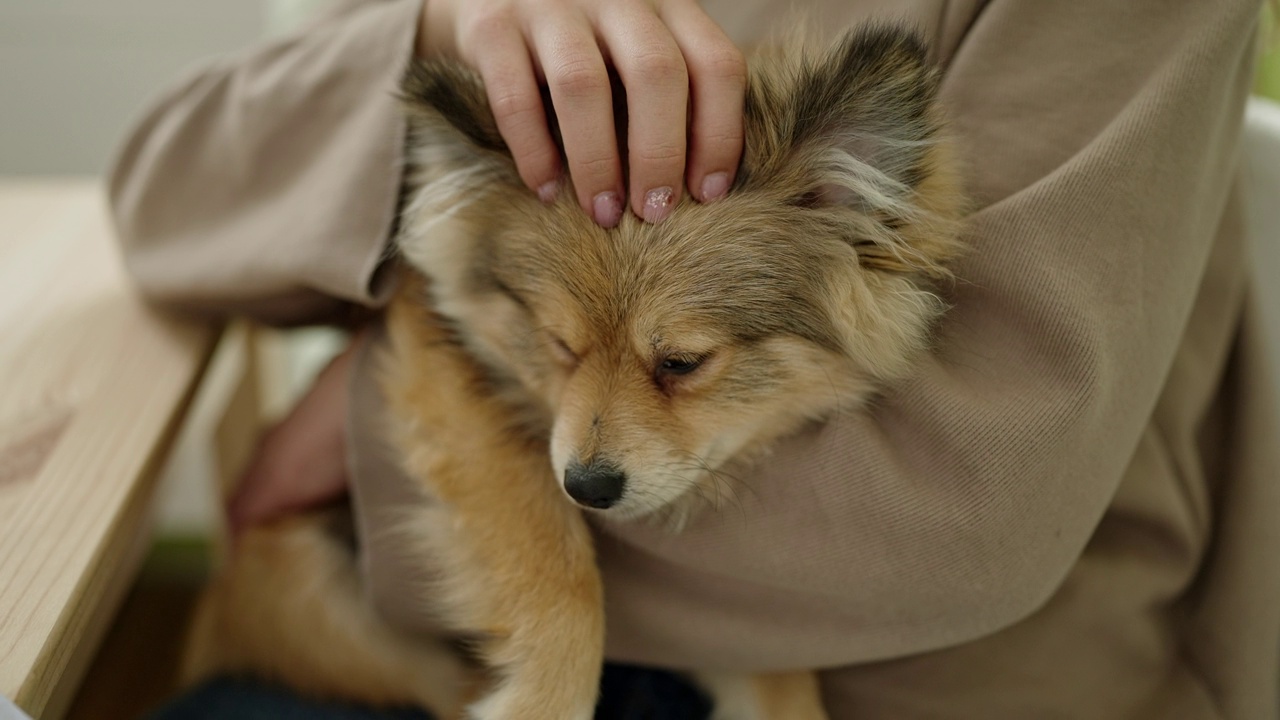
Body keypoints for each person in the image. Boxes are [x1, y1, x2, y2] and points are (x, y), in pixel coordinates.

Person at [113, 0, 1278, 718]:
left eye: (681, 366)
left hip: (926, 693)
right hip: (409, 657)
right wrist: (447, 23)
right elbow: (159, 200)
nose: (591, 447)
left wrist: (389, 412)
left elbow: (974, 515)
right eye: (566, 355)